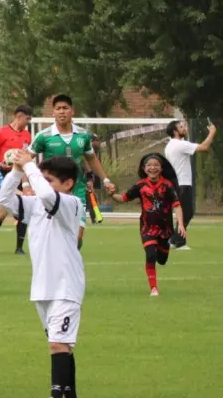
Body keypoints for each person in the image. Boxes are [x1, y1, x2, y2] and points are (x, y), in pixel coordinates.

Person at [0, 151, 85, 398]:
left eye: (50, 179)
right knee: (62, 344)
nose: (41, 183)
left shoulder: (71, 202)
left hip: (66, 285)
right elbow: (4, 199)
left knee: (58, 343)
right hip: (42, 287)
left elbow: (48, 196)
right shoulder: (35, 204)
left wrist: (30, 166)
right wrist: (16, 170)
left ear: (68, 184)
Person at [29, 95, 116, 248]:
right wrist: (27, 183)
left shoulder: (83, 135)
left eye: (65, 108)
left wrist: (106, 180)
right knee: (54, 234)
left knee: (76, 236)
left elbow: (91, 158)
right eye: (58, 109)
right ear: (53, 112)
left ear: (72, 111)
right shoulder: (43, 136)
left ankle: (69, 260)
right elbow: (27, 158)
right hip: (52, 193)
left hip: (77, 191)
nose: (62, 111)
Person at [111, 153, 185, 296]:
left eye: (156, 165)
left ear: (161, 168)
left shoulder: (168, 186)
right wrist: (112, 195)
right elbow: (123, 198)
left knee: (162, 260)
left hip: (165, 229)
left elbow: (177, 205)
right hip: (147, 228)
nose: (153, 168)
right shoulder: (140, 185)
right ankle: (154, 288)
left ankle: (162, 249)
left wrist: (180, 224)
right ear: (144, 169)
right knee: (150, 254)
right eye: (149, 165)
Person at [163, 119, 216, 249]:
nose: (184, 128)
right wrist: (212, 133)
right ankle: (177, 241)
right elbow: (204, 147)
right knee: (187, 212)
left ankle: (175, 240)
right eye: (181, 127)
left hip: (179, 183)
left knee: (186, 212)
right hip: (182, 184)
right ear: (175, 131)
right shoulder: (180, 144)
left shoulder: (171, 145)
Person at [0, 105, 33, 255]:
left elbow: (26, 159)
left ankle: (19, 248)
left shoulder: (27, 135)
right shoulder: (2, 132)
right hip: (3, 175)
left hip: (19, 175)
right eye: (27, 118)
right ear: (19, 116)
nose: (28, 122)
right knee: (0, 214)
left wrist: (26, 184)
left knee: (22, 211)